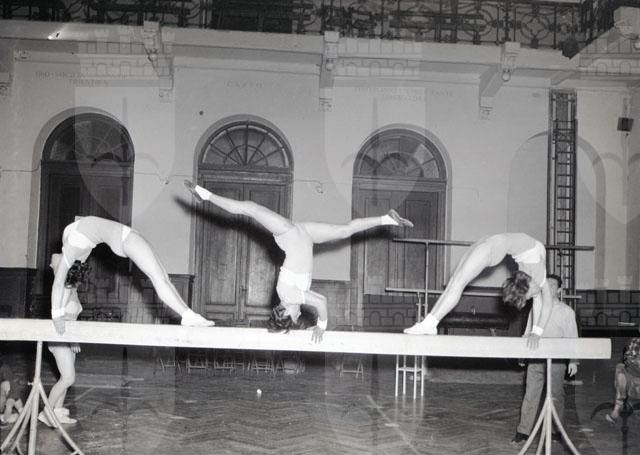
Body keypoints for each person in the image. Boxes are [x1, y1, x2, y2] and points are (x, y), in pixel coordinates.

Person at [184, 180, 413, 343]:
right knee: (344, 231)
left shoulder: (289, 297)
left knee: (250, 209)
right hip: (305, 236)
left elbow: (322, 302)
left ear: (286, 314)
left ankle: (204, 194)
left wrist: (321, 326)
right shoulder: (292, 297)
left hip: (288, 234)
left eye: (293, 319)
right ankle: (388, 219)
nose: (298, 318)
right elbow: (316, 301)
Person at [51, 216, 213, 334]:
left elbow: (65, 284)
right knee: (160, 279)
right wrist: (57, 316)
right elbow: (61, 284)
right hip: (127, 239)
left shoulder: (75, 249)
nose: (52, 261)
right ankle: (187, 315)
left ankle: (188, 314)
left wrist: (60, 312)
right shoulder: (72, 249)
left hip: (127, 238)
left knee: (163, 279)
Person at [404, 233, 553, 348]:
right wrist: (537, 332)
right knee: (455, 283)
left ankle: (429, 323)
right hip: (489, 246)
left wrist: (534, 332)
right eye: (528, 297)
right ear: (528, 286)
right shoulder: (539, 278)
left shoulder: (529, 277)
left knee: (456, 283)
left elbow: (538, 302)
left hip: (489, 242)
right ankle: (430, 324)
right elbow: (546, 304)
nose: (532, 297)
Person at [511, 274, 579, 444]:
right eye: (546, 285)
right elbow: (528, 332)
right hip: (536, 357)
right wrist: (523, 354)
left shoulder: (566, 312)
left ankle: (556, 431)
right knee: (531, 393)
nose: (548, 288)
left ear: (560, 290)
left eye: (552, 285)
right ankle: (523, 431)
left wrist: (573, 360)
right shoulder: (536, 308)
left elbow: (573, 338)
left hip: (557, 359)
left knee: (556, 395)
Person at [39, 254, 86, 427]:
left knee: (64, 377)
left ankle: (57, 412)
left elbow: (72, 319)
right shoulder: (63, 288)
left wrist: (74, 340)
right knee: (68, 378)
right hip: (59, 338)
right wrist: (72, 340)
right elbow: (61, 320)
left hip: (69, 338)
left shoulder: (73, 288)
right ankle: (47, 412)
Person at [605, 330, 640, 424]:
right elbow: (627, 358)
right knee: (620, 368)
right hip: (633, 376)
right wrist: (634, 362)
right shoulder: (635, 340)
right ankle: (617, 409)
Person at [0, 358, 25, 425]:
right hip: (12, 391)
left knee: (10, 404)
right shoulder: (5, 369)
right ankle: (24, 415)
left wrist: (4, 419)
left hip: (11, 391)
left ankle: (5, 420)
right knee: (18, 406)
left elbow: (10, 383)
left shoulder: (5, 370)